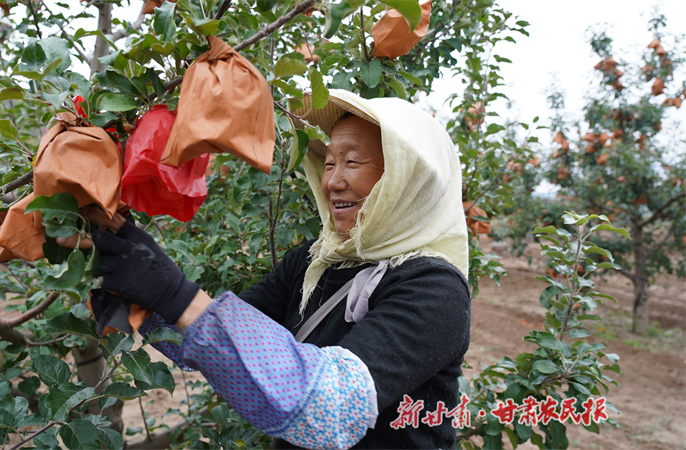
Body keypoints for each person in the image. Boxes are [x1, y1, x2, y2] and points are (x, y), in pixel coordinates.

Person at [72, 89, 471, 449]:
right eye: (330, 163)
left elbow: (330, 407)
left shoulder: (434, 289)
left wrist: (174, 293)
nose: (333, 181)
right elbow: (215, 342)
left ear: (405, 179)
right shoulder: (314, 261)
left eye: (352, 162)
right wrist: (140, 292)